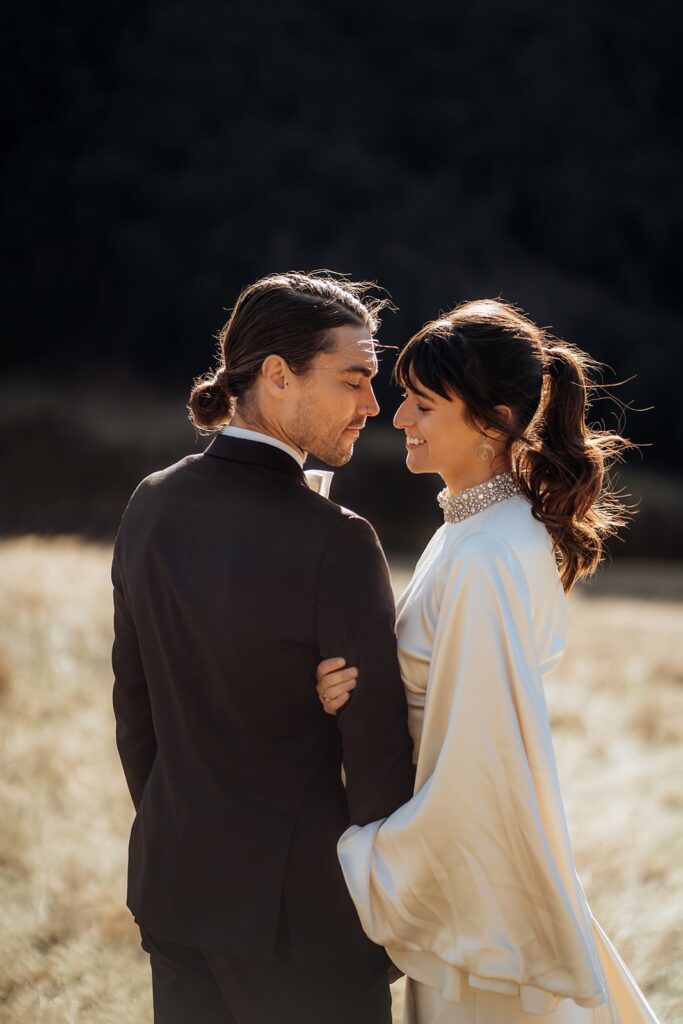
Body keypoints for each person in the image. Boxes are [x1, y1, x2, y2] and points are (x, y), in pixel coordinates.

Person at [316, 300, 659, 1023]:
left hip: (472, 889)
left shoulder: (485, 553)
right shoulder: (479, 525)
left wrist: (370, 856)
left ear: (494, 423)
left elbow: (477, 759)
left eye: (423, 404)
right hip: (475, 867)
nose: (398, 418)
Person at [111, 271, 415, 1024]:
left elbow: (135, 713)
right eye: (353, 380)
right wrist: (388, 914)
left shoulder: (150, 501)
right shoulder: (338, 540)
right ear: (277, 376)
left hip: (177, 891)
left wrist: (182, 839)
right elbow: (377, 762)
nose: (372, 406)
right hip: (306, 926)